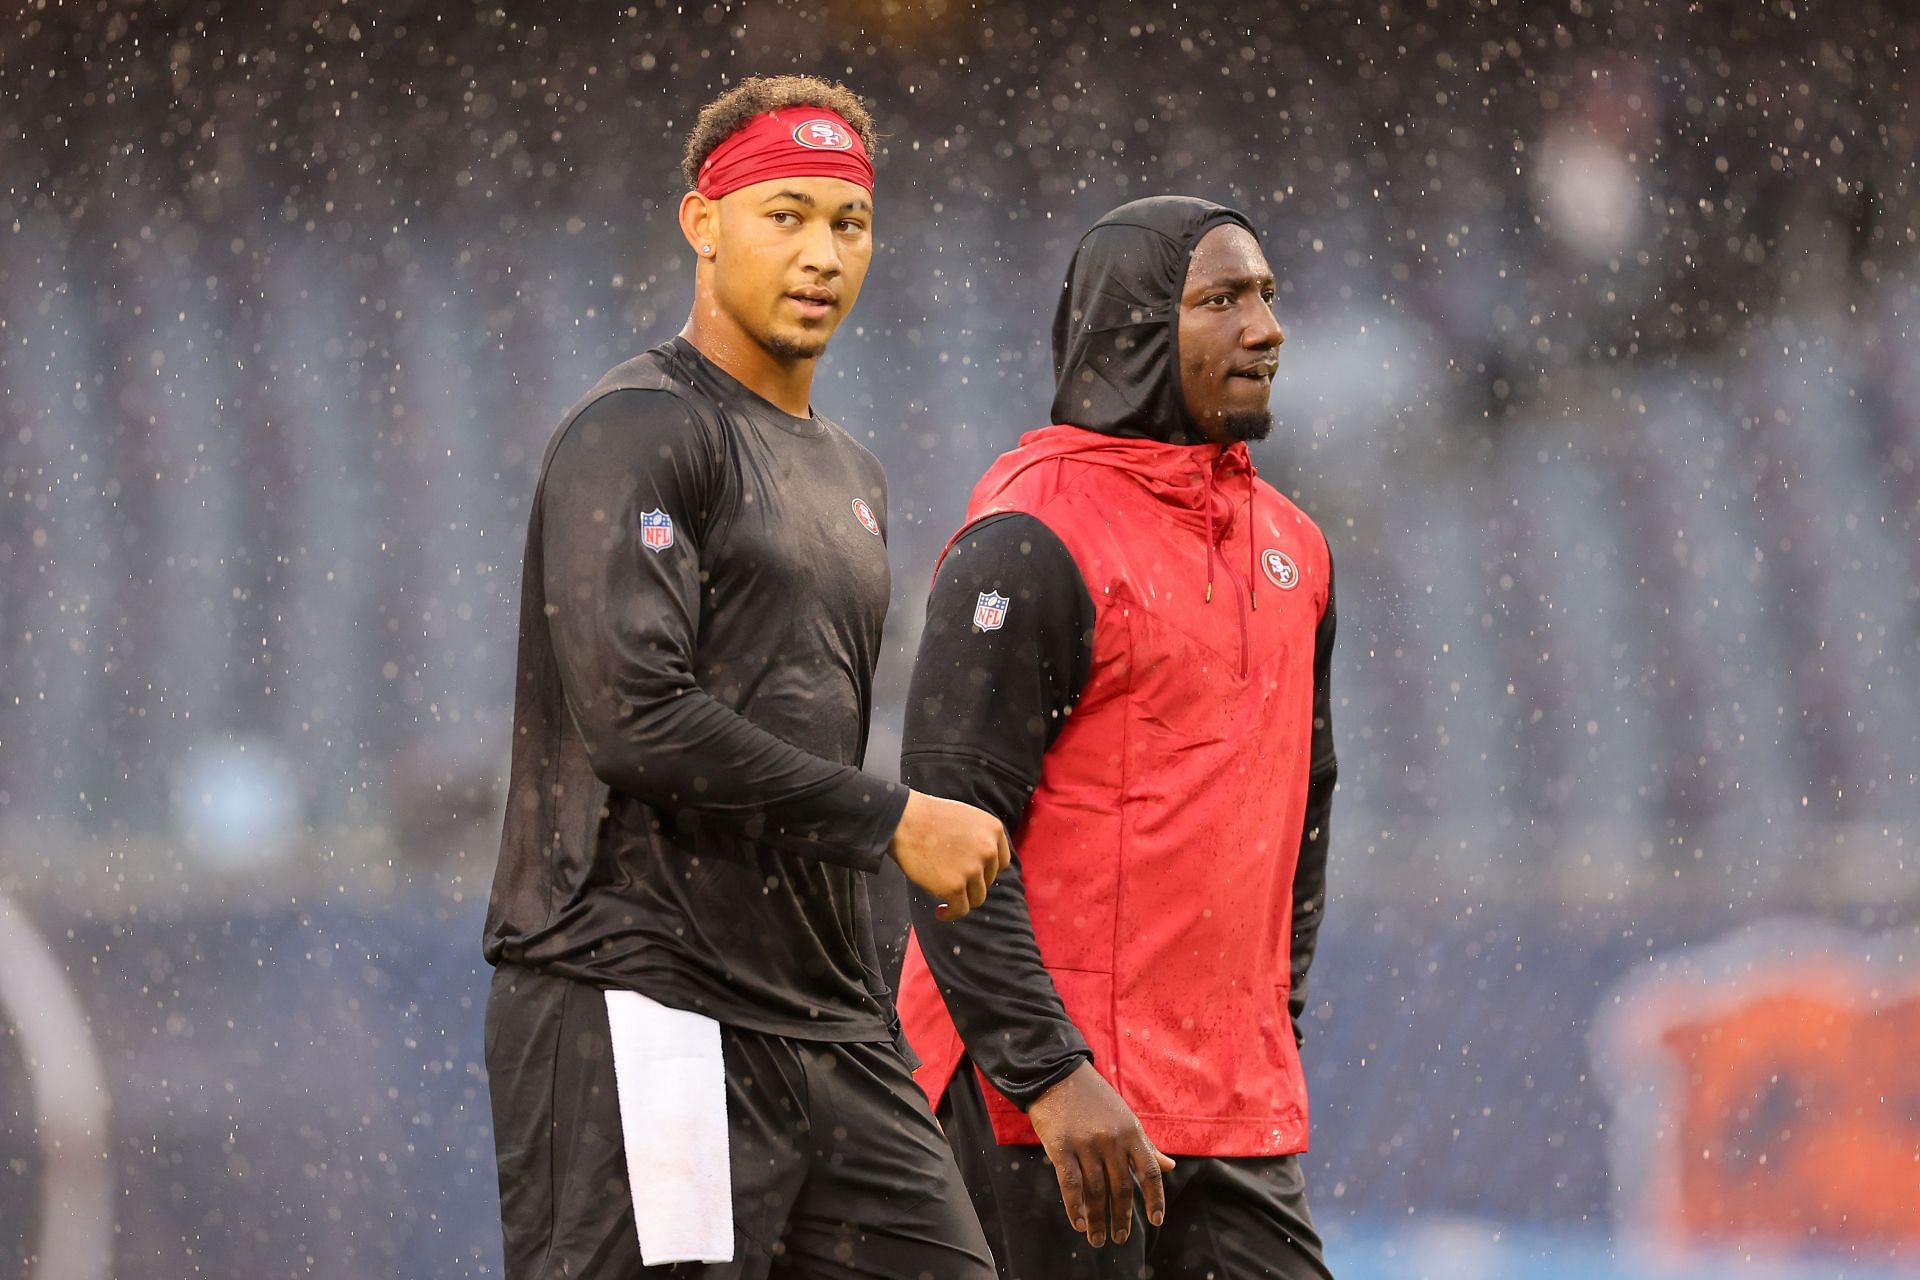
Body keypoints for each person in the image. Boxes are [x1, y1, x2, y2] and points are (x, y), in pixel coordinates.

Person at [481, 75, 1005, 1279]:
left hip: (825, 1024)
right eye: (786, 214)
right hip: (645, 992)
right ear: (701, 223)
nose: (822, 252)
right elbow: (638, 719)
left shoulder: (856, 477)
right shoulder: (638, 428)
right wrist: (897, 817)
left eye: (849, 221)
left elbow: (808, 740)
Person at [893, 195, 1340, 1279]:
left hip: (1226, 1095)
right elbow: (943, 834)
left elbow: (1305, 800)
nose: (1267, 327)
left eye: (1270, 297)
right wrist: (1047, 1071)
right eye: (1224, 298)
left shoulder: (1299, 547)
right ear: (1134, 328)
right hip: (1048, 1101)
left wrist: (1270, 1017)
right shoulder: (1029, 536)